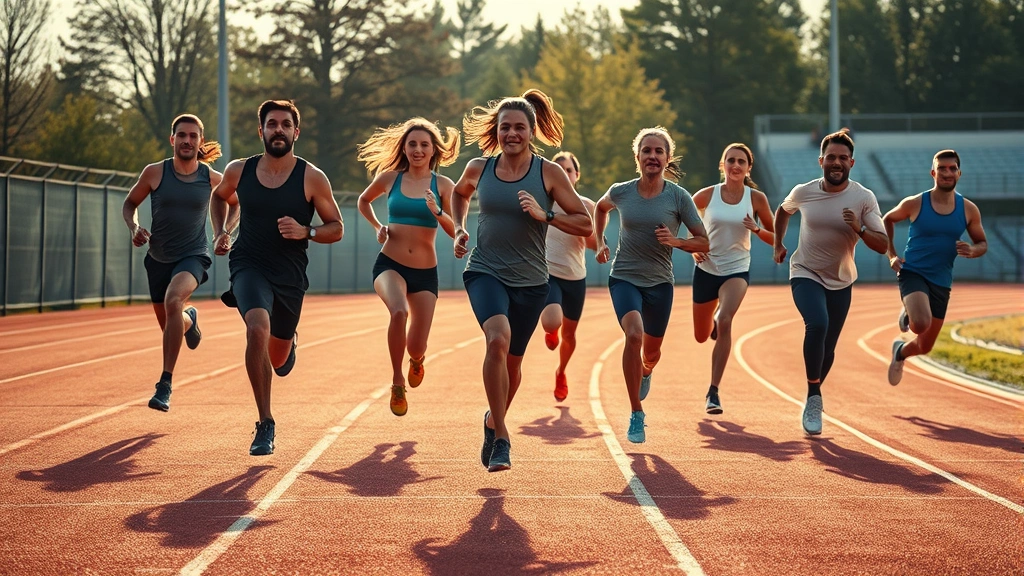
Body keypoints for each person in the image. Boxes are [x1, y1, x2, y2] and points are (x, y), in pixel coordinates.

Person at [452, 89, 593, 471]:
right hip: (485, 270)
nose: (511, 133)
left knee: (513, 365)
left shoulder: (548, 173)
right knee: (497, 340)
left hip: (532, 281)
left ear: (531, 131)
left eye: (519, 127)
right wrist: (460, 228)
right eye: (504, 127)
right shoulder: (478, 168)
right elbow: (459, 194)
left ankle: (490, 419)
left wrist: (545, 216)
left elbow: (585, 222)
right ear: (495, 131)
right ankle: (502, 437)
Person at [210, 100, 344, 456]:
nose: (279, 130)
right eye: (272, 124)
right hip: (248, 263)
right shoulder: (240, 170)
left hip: (289, 274)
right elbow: (218, 196)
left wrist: (307, 232)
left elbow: (336, 228)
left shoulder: (312, 177)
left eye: (286, 124)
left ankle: (288, 346)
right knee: (256, 326)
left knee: (279, 360)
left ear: (296, 132)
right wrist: (221, 230)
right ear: (262, 131)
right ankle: (265, 422)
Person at [594, 127, 708, 444]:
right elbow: (600, 208)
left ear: (667, 159)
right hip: (624, 277)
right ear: (638, 157)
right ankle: (635, 412)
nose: (653, 156)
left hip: (660, 283)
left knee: (652, 352)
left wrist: (676, 241)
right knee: (633, 334)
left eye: (659, 152)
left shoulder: (678, 197)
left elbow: (704, 242)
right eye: (647, 151)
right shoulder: (621, 191)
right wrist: (600, 239)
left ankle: (646, 370)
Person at [772, 128, 887, 435]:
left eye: (843, 158)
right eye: (831, 157)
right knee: (817, 324)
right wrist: (778, 244)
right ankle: (813, 396)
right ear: (821, 160)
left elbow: (882, 243)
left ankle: (814, 389)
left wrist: (859, 228)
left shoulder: (864, 198)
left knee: (829, 347)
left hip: (842, 279)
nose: (837, 162)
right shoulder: (804, 191)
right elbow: (783, 211)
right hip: (805, 271)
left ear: (852, 163)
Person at [122, 113, 227, 413]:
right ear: (172, 139)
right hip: (157, 259)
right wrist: (134, 227)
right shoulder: (155, 173)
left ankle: (165, 384)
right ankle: (190, 319)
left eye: (193, 136)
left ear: (200, 141)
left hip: (193, 256)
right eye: (182, 135)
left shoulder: (210, 177)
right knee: (172, 322)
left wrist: (223, 231)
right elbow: (130, 203)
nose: (187, 140)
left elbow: (235, 200)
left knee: (172, 300)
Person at [356, 118, 460, 416]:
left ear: (433, 150)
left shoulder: (443, 185)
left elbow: (456, 230)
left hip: (425, 273)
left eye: (424, 145)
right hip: (390, 263)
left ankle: (415, 360)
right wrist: (378, 226)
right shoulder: (391, 178)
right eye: (412, 144)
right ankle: (397, 380)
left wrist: (437, 211)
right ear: (404, 147)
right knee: (398, 311)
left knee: (417, 345)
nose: (417, 149)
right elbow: (364, 201)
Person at [882, 149, 987, 385]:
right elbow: (887, 219)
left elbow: (982, 243)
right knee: (920, 324)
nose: (947, 172)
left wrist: (973, 250)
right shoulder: (916, 203)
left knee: (924, 346)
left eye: (952, 168)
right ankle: (911, 312)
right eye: (942, 168)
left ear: (959, 173)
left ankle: (899, 352)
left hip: (941, 280)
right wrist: (892, 255)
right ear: (933, 172)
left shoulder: (968, 209)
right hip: (913, 272)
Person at [690, 143, 775, 414]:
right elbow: (683, 217)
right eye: (731, 160)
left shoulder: (756, 199)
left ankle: (713, 391)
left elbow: (777, 238)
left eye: (741, 161)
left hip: (737, 269)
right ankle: (712, 324)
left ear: (748, 167)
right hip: (706, 269)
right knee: (701, 336)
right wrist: (694, 247)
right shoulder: (705, 196)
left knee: (725, 319)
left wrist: (757, 228)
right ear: (722, 165)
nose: (735, 165)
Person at [539, 151, 598, 402]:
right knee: (552, 321)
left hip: (575, 276)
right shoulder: (543, 202)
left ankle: (561, 371)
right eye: (559, 169)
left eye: (569, 170)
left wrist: (581, 225)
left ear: (577, 175)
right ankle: (550, 330)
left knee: (570, 335)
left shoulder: (587, 206)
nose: (564, 173)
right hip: (548, 272)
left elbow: (594, 244)